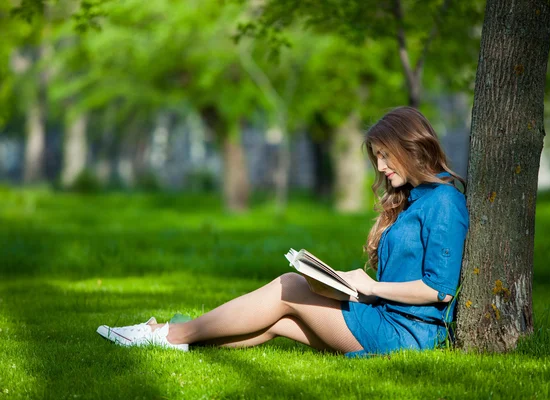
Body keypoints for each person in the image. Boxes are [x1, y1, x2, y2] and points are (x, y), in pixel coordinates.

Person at [96, 106, 469, 357]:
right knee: (282, 319)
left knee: (289, 286)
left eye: (386, 156)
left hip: (407, 336)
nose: (382, 167)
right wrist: (346, 287)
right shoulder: (412, 200)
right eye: (376, 158)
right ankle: (172, 339)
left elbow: (439, 289)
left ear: (411, 146)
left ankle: (167, 335)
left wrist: (368, 286)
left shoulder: (444, 201)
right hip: (387, 319)